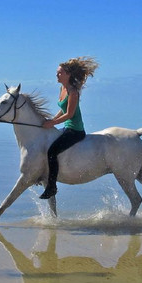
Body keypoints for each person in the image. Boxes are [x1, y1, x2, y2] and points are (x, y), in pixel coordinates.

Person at [39, 56, 99, 199]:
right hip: (66, 128)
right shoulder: (63, 88)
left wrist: (52, 124)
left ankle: (52, 187)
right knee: (47, 145)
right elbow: (62, 109)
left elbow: (69, 114)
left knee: (52, 152)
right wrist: (52, 119)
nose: (57, 75)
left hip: (76, 131)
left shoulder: (73, 92)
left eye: (60, 72)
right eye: (57, 72)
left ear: (68, 75)